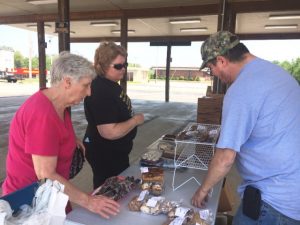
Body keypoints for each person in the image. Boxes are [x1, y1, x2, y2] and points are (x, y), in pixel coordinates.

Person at [191, 31, 300, 224]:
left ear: (221, 60)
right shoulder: (277, 73)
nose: (214, 75)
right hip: (293, 192)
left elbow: (225, 157)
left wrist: (203, 190)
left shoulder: (242, 90)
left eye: (211, 68)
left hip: (273, 200)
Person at [2, 52, 120, 219]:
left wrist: (71, 140)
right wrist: (88, 201)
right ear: (67, 82)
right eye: (86, 85)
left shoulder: (58, 105)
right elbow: (46, 173)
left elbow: (50, 135)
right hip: (30, 204)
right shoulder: (42, 114)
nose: (89, 92)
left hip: (52, 195)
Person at [83, 42, 144, 189]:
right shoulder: (101, 90)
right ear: (102, 66)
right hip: (105, 153)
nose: (123, 69)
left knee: (119, 187)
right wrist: (135, 120)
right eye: (118, 66)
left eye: (125, 64)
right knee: (108, 190)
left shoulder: (110, 84)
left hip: (115, 152)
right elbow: (109, 132)